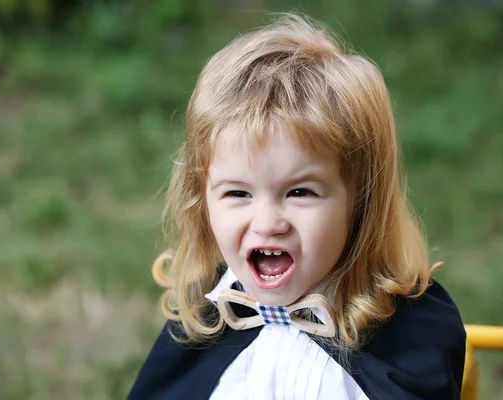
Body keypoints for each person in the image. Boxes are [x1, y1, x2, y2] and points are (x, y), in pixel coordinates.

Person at [128, 13, 466, 400]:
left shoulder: (411, 337)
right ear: (202, 201)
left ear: (361, 201)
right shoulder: (206, 322)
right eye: (238, 194)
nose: (268, 223)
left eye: (300, 192)